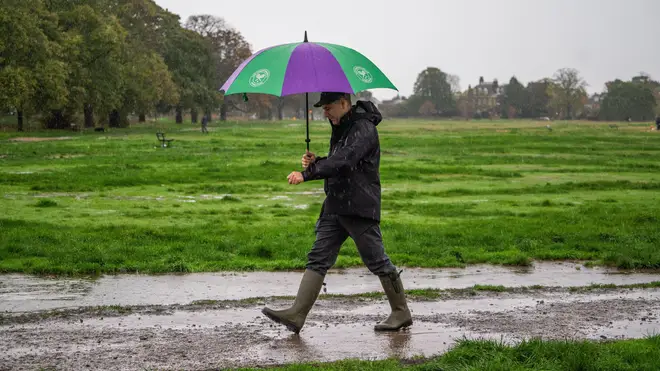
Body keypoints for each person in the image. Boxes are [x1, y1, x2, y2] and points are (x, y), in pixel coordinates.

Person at [261, 92, 412, 334]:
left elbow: (345, 160)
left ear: (344, 103)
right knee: (318, 257)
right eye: (323, 109)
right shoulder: (343, 126)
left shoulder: (364, 129)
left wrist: (308, 173)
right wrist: (317, 161)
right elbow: (338, 161)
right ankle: (297, 314)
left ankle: (400, 312)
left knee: (377, 260)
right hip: (336, 205)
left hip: (358, 207)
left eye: (329, 107)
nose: (325, 113)